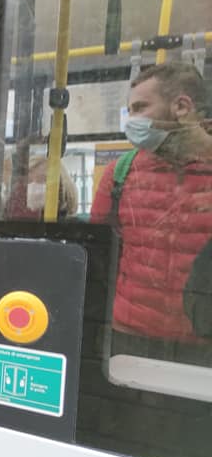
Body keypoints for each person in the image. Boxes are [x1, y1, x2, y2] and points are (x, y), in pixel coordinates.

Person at [90, 62, 212, 362]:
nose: (131, 121)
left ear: (181, 107)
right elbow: (97, 255)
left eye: (140, 108)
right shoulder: (120, 174)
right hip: (130, 335)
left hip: (203, 342)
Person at [5, 154, 79, 221]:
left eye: (43, 180)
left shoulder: (73, 227)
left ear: (62, 187)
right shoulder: (12, 222)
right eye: (28, 181)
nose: (33, 186)